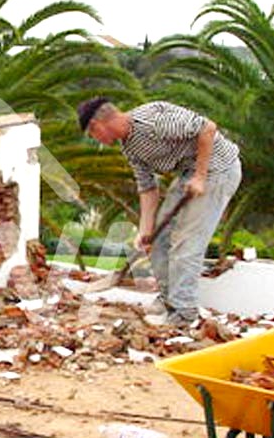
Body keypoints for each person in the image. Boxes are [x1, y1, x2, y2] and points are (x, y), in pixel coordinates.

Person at [76, 97, 242, 326]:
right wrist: (145, 231)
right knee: (159, 239)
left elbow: (207, 128)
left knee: (186, 243)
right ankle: (168, 300)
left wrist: (200, 177)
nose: (98, 141)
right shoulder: (129, 146)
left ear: (98, 125)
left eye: (93, 136)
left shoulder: (152, 119)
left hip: (218, 169)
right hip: (188, 173)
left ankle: (184, 313)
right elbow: (147, 188)